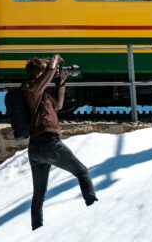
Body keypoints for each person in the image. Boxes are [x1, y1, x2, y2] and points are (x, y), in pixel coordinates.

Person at [22, 55, 97, 230]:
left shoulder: (41, 94)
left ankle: (37, 229)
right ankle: (95, 208)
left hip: (35, 150)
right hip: (49, 144)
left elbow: (60, 105)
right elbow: (48, 71)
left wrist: (61, 82)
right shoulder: (30, 88)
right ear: (38, 74)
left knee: (39, 194)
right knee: (82, 172)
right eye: (44, 72)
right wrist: (54, 59)